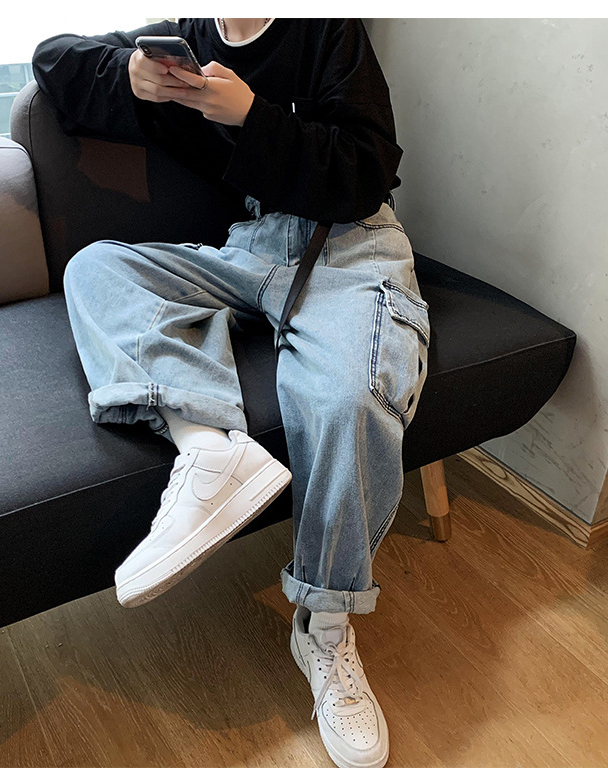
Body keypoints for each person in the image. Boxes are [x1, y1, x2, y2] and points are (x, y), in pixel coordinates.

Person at [32, 17, 431, 768]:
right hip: (247, 250)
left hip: (347, 246)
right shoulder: (183, 37)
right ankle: (209, 451)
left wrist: (254, 118)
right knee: (95, 268)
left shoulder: (326, 29)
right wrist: (128, 77)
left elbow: (369, 167)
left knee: (345, 401)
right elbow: (53, 60)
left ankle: (325, 628)